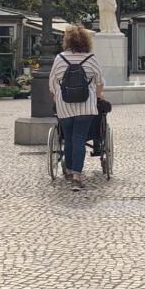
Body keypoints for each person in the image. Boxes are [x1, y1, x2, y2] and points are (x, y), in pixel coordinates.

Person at [49, 24, 105, 191]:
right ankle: (76, 176)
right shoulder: (91, 58)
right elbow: (100, 82)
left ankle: (67, 168)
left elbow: (52, 84)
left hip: (64, 106)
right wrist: (98, 97)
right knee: (79, 138)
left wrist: (57, 97)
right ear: (86, 41)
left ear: (67, 40)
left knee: (68, 137)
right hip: (86, 106)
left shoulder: (59, 58)